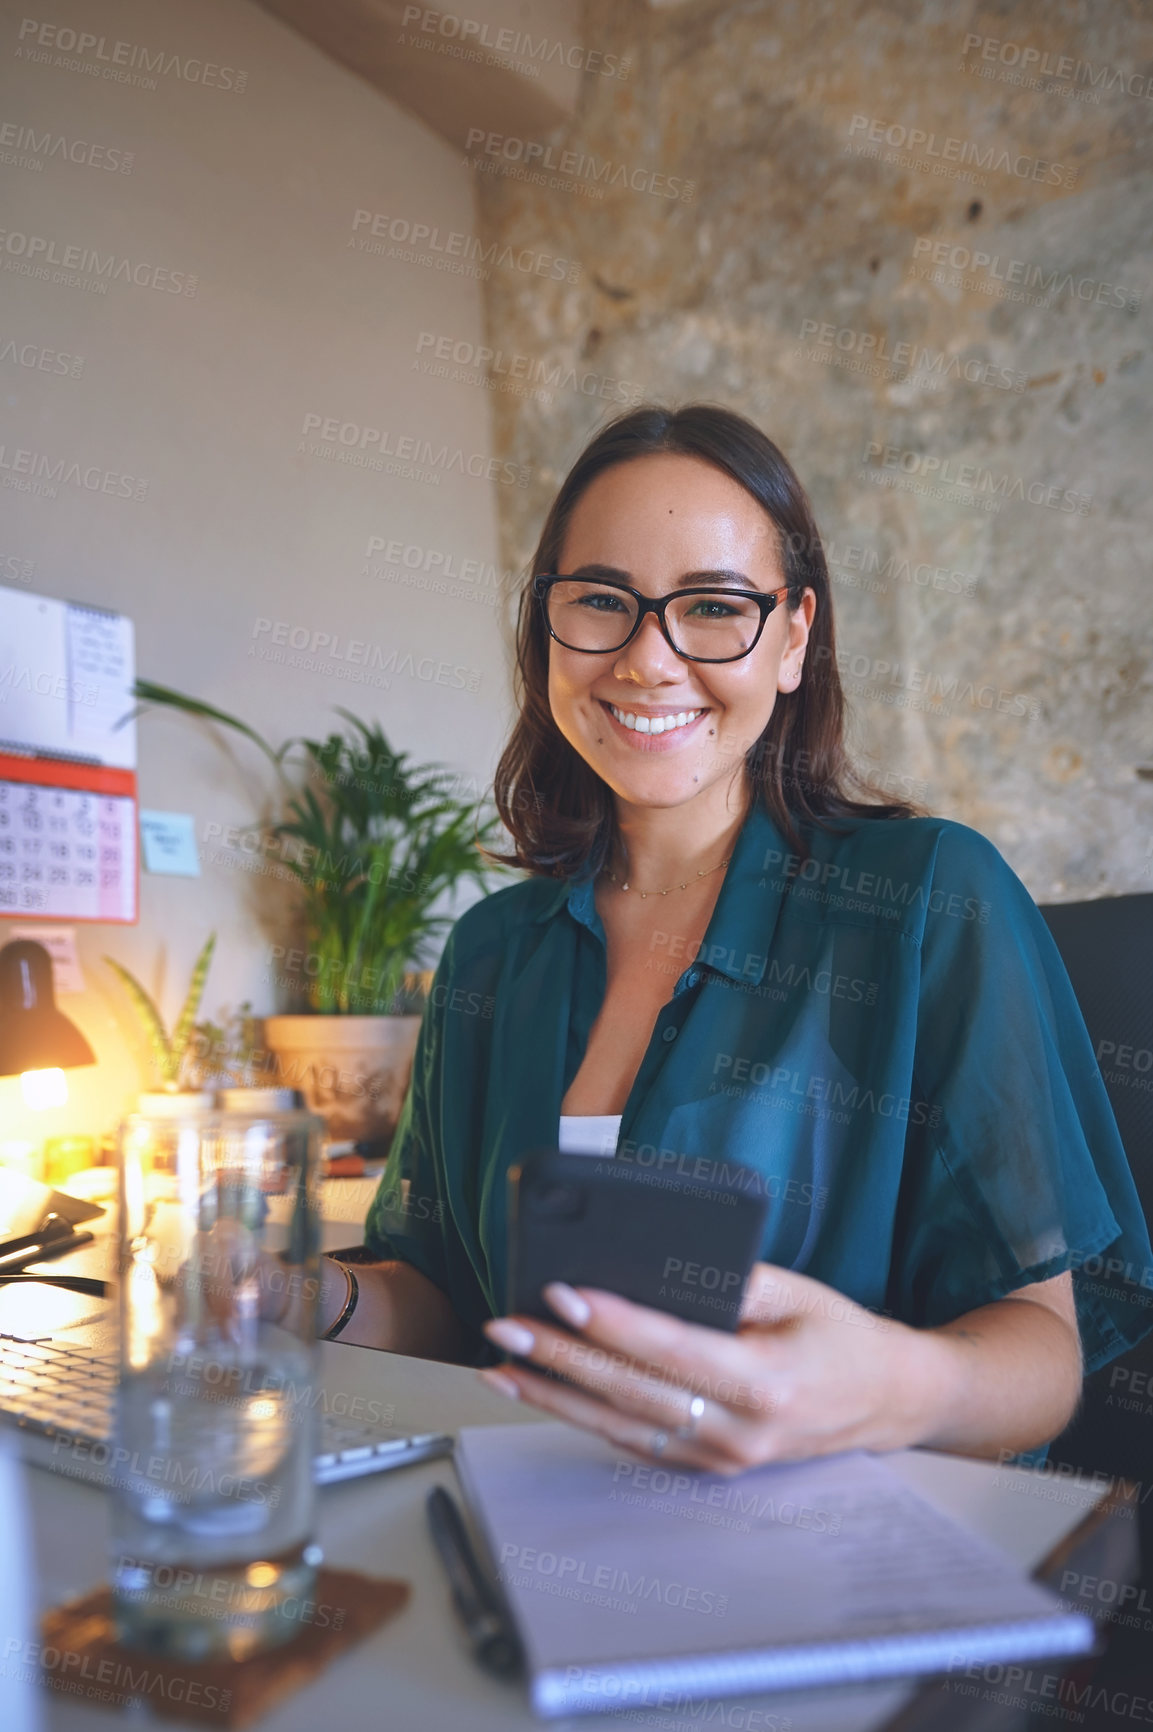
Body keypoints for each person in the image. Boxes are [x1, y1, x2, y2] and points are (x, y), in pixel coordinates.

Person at [300, 404, 1153, 1474]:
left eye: (711, 607)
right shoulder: (488, 950)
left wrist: (881, 1384)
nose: (649, 661)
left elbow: (1043, 1360)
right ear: (546, 627)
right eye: (602, 600)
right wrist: (304, 1295)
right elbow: (441, 1301)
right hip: (525, 1529)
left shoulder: (933, 897)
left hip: (828, 1570)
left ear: (792, 637)